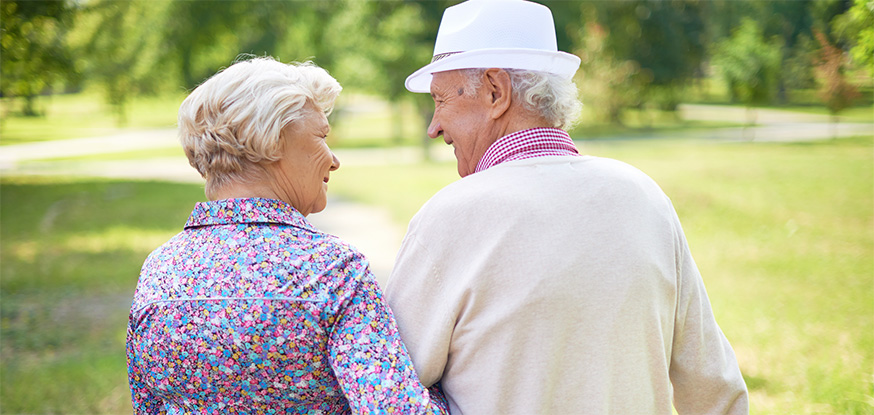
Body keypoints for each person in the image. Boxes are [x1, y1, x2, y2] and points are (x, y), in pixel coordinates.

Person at [384, 1, 749, 414]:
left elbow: (384, 387)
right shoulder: (645, 197)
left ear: (495, 91)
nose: (434, 127)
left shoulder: (449, 218)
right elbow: (715, 389)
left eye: (441, 99)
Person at [125, 57, 447, 414]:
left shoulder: (160, 271)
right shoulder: (331, 270)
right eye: (321, 137)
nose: (333, 159)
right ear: (272, 141)